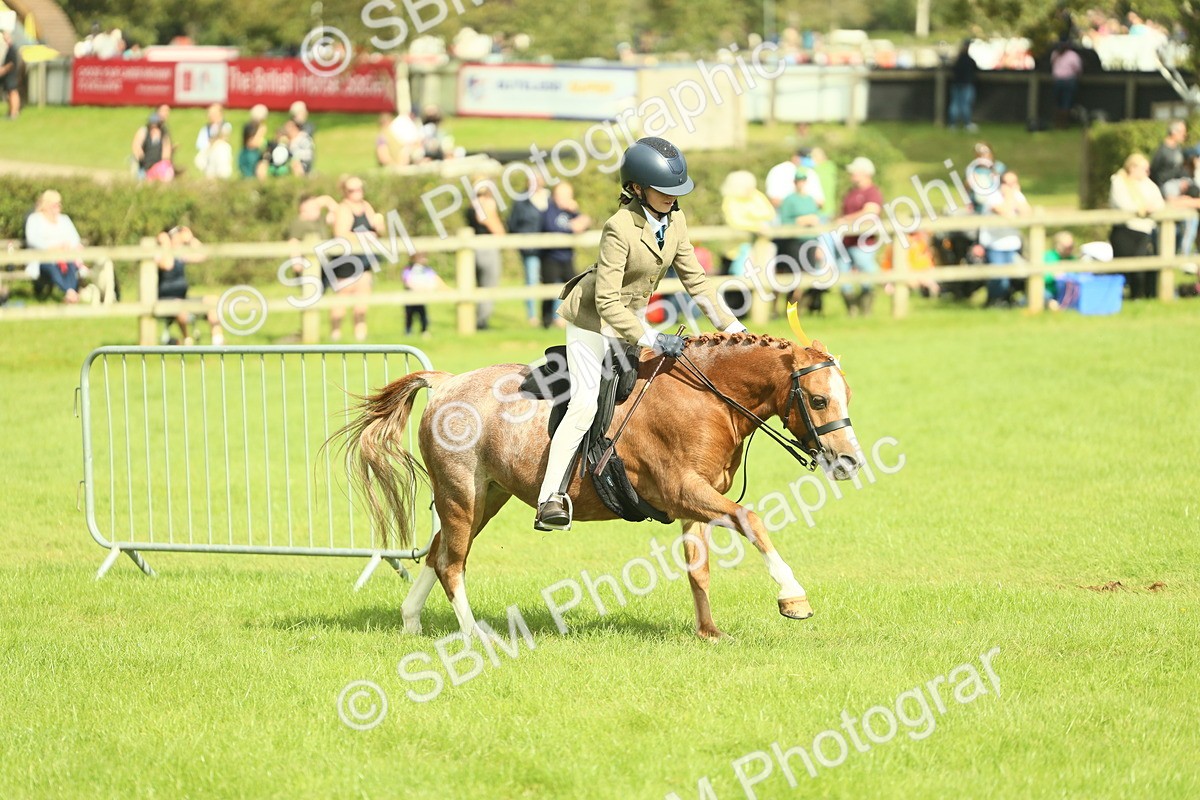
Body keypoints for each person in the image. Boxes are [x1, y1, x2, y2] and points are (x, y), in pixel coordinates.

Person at [534, 136, 745, 531]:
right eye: (663, 189)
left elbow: (697, 282)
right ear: (636, 187)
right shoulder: (619, 227)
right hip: (592, 319)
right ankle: (551, 497)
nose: (671, 196)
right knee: (585, 403)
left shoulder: (676, 221)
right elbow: (607, 301)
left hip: (630, 318)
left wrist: (734, 329)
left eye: (675, 189)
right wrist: (652, 338)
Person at [329, 175, 384, 341]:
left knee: (362, 298)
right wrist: (363, 236)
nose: (356, 192)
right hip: (346, 260)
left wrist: (380, 227)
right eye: (352, 190)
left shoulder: (366, 206)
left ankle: (361, 336)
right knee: (342, 298)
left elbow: (377, 231)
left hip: (364, 259)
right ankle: (335, 335)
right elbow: (340, 234)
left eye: (359, 189)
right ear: (345, 191)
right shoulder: (343, 209)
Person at [719, 170, 777, 318]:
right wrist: (755, 225)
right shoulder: (730, 200)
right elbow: (735, 221)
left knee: (754, 283)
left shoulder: (756, 196)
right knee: (733, 286)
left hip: (756, 250)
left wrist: (751, 219)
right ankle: (731, 316)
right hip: (734, 251)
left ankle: (748, 315)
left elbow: (769, 213)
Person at [155, 225, 224, 345]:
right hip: (165, 300)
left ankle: (218, 342)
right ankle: (187, 340)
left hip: (183, 298)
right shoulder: (159, 254)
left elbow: (203, 255)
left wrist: (191, 239)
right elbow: (167, 265)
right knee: (179, 306)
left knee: (212, 301)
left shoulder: (181, 255)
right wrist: (166, 244)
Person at [1109, 153, 1164, 300]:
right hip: (1125, 231)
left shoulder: (1147, 183)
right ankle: (1120, 297)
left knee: (1144, 265)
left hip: (1144, 230)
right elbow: (1123, 205)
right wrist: (1143, 209)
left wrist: (1150, 208)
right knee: (1125, 268)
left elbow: (1159, 202)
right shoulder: (1119, 181)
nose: (1147, 172)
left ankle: (1142, 296)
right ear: (1132, 168)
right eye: (1144, 169)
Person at [834, 156, 885, 315]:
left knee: (867, 274)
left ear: (865, 173)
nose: (851, 174)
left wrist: (846, 220)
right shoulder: (851, 192)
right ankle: (852, 310)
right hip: (846, 241)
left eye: (854, 171)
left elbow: (870, 212)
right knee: (843, 276)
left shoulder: (872, 192)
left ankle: (865, 309)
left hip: (863, 243)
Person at [539, 181, 592, 328]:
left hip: (566, 257)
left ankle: (571, 319)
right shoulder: (549, 210)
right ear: (554, 196)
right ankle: (546, 322)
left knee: (574, 288)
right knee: (548, 291)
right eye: (561, 195)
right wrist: (571, 228)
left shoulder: (570, 211)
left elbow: (583, 223)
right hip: (550, 257)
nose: (565, 198)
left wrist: (577, 213)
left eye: (568, 195)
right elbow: (551, 227)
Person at [978, 170, 1032, 306]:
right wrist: (1010, 196)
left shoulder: (1018, 196)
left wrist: (1014, 196)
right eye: (1007, 183)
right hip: (995, 244)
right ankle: (995, 302)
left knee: (1018, 275)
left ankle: (1007, 301)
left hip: (1013, 244)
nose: (1011, 187)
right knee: (999, 277)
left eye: (1014, 183)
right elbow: (1005, 213)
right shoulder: (993, 197)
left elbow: (1027, 214)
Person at [776, 170, 825, 314]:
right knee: (794, 276)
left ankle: (799, 308)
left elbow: (816, 222)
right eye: (798, 180)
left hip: (810, 241)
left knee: (808, 275)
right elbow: (785, 221)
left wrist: (818, 245)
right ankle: (787, 308)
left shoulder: (810, 200)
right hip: (794, 243)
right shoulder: (789, 200)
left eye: (803, 180)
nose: (801, 183)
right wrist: (800, 221)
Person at [507, 171, 552, 325]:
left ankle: (555, 316)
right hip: (530, 248)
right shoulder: (521, 201)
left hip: (551, 248)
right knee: (532, 280)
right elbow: (512, 224)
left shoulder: (550, 198)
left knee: (553, 281)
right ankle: (532, 316)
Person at [465, 177, 506, 330]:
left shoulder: (471, 205)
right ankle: (481, 322)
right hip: (486, 249)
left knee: (478, 286)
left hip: (474, 249)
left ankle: (476, 320)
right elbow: (497, 230)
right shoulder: (484, 205)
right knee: (488, 286)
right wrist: (493, 215)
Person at [401, 252, 447, 337]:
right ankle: (408, 331)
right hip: (410, 298)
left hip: (421, 298)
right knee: (409, 316)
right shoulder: (409, 269)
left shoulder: (427, 270)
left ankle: (424, 331)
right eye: (422, 257)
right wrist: (415, 288)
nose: (425, 259)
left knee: (423, 316)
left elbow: (435, 279)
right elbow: (406, 281)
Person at [1050, 41, 1083, 128]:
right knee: (1063, 102)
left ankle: (1060, 123)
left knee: (1061, 102)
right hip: (1065, 80)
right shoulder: (1070, 55)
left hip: (1062, 80)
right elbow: (1078, 68)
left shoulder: (1058, 54)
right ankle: (1061, 123)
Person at [948, 39, 978, 132]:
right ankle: (967, 124)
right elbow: (975, 68)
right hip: (966, 84)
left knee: (955, 104)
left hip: (956, 83)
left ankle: (953, 124)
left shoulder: (957, 59)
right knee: (965, 104)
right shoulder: (969, 60)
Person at [132, 113, 172, 181]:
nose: (154, 128)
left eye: (157, 126)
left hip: (158, 167)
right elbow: (136, 145)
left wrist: (165, 162)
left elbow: (166, 151)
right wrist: (139, 153)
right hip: (145, 166)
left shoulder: (163, 135)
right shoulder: (144, 132)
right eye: (152, 126)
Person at [239, 104, 269, 179]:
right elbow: (251, 143)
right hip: (249, 155)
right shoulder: (251, 127)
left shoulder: (257, 127)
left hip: (254, 155)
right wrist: (260, 132)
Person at [0, 30, 21, 120]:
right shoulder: (9, 48)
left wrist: (3, 70)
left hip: (11, 75)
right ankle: (11, 111)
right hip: (9, 75)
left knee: (13, 93)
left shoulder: (12, 49)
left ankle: (14, 113)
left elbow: (12, 63)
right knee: (9, 94)